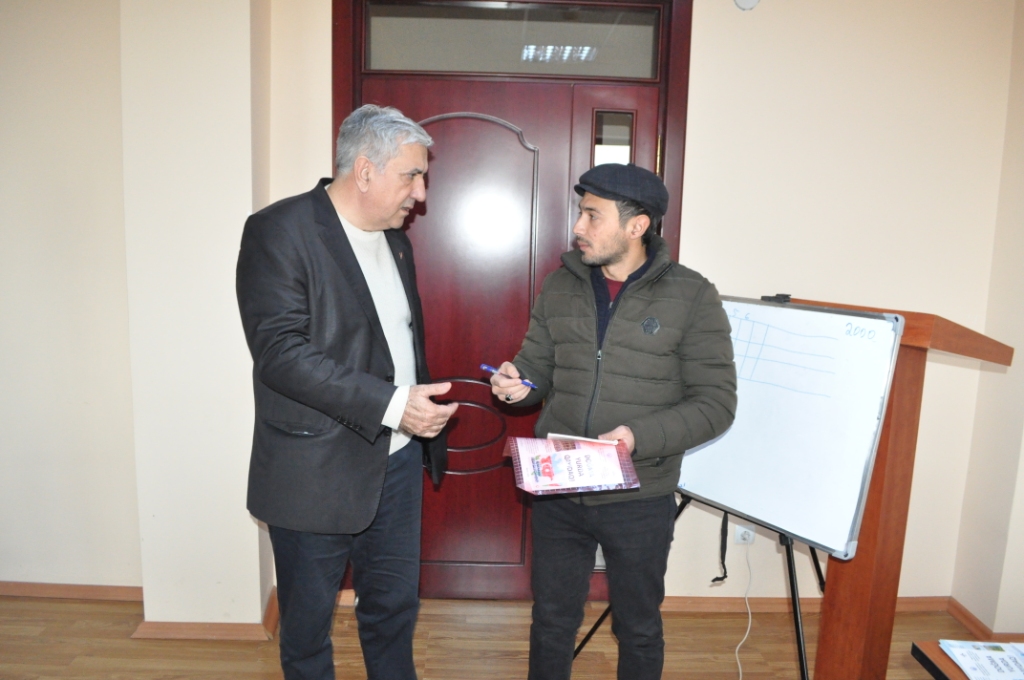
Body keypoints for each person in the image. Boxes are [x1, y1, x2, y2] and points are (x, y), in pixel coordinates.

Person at [489, 163, 737, 680]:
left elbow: (715, 403)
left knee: (638, 627)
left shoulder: (693, 296)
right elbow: (537, 367)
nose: (577, 227)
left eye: (592, 215)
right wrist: (517, 383)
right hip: (559, 487)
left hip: (639, 497)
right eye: (581, 213)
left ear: (637, 225)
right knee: (551, 621)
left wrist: (637, 437)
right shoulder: (560, 285)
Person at [236, 105, 457, 680]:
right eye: (411, 175)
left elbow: (392, 342)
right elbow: (281, 354)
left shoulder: (396, 241)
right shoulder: (279, 231)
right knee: (307, 631)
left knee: (393, 613)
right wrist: (392, 404)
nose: (421, 193)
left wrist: (410, 411)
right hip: (315, 469)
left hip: (398, 463)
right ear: (364, 170)